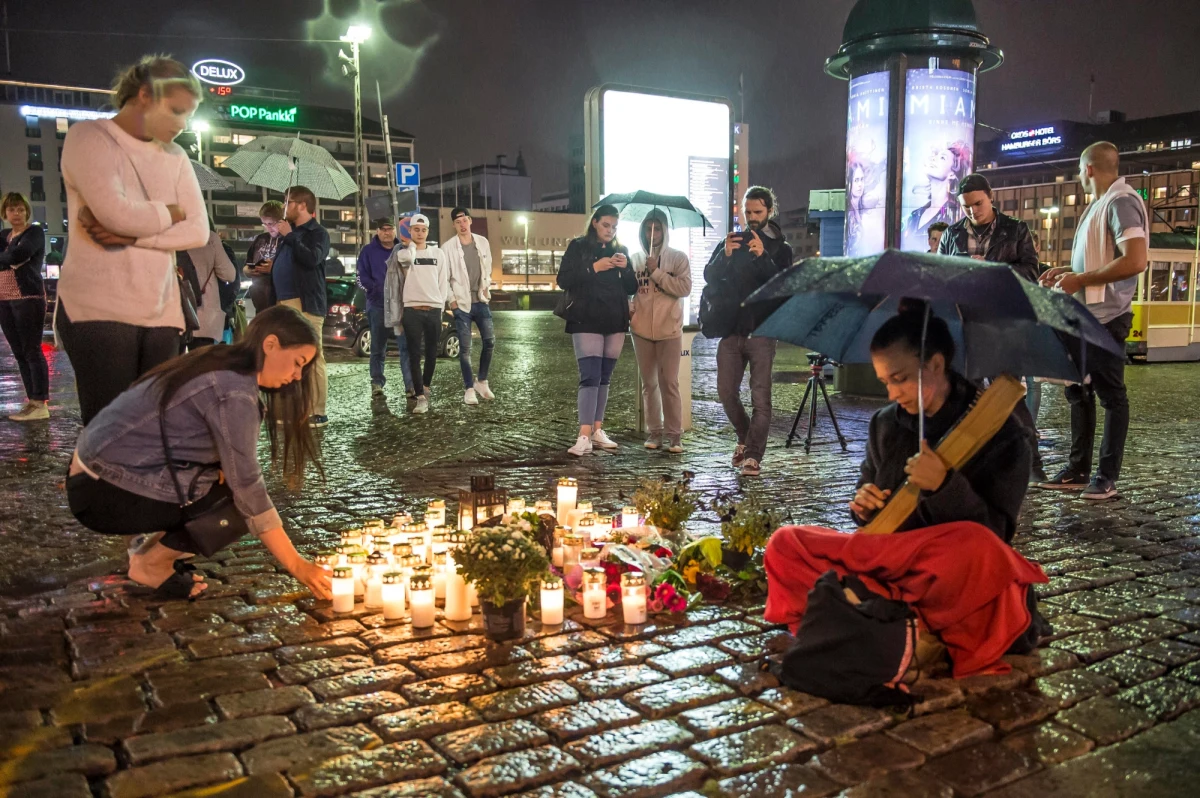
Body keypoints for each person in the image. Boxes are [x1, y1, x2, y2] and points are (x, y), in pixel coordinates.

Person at [65, 305, 331, 600]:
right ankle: (150, 564)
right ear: (270, 344)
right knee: (236, 504)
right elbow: (248, 488)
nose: (297, 376)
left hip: (91, 474)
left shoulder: (220, 362)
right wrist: (298, 566)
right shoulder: (235, 391)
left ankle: (149, 552)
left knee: (222, 481)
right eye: (298, 362)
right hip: (102, 492)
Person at [56, 55, 210, 425]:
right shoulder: (89, 137)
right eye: (176, 110)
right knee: (108, 431)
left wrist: (131, 236)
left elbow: (199, 231)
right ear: (144, 95)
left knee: (152, 429)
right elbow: (114, 214)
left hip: (161, 311)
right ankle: (91, 485)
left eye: (188, 115)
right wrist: (168, 212)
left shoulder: (176, 156)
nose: (183, 124)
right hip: (98, 309)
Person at [1038, 142, 1148, 500]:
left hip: (1107, 317)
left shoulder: (1120, 201)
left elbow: (1136, 260)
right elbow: (1107, 262)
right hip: (1088, 314)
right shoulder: (1103, 204)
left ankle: (1106, 477)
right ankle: (1079, 469)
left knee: (1111, 395)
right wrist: (1070, 273)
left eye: (1078, 172)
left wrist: (1080, 280)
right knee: (1076, 389)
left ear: (1087, 170)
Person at [937, 172, 1045, 481]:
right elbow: (942, 275)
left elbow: (1030, 272)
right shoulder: (952, 234)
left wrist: (993, 273)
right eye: (967, 207)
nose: (973, 211)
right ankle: (970, 462)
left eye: (978, 204)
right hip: (965, 324)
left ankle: (1031, 461)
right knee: (963, 396)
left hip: (1001, 324)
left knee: (1008, 393)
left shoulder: (1015, 230)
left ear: (991, 197)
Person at [703, 185, 792, 476]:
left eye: (758, 212)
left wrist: (763, 256)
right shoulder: (731, 241)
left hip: (763, 332)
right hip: (731, 329)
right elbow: (709, 277)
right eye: (748, 212)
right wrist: (724, 256)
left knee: (760, 398)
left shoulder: (781, 248)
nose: (752, 217)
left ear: (769, 211)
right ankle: (744, 436)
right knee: (726, 392)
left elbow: (782, 287)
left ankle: (753, 455)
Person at [556, 204, 637, 456]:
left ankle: (598, 430)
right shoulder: (578, 246)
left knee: (604, 377)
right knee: (589, 375)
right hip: (585, 317)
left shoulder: (621, 250)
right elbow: (563, 280)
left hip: (615, 319)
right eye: (606, 225)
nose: (610, 231)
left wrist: (626, 268)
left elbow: (632, 285)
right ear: (595, 222)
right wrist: (594, 268)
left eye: (614, 227)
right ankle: (584, 434)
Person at [630, 209, 692, 453]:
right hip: (641, 330)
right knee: (649, 384)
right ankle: (654, 432)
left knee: (669, 382)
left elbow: (684, 287)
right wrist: (630, 307)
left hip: (670, 330)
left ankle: (675, 435)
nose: (652, 232)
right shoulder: (635, 259)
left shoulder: (678, 259)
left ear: (665, 230)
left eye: (657, 227)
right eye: (648, 227)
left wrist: (656, 271)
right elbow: (628, 289)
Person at [271, 185, 330, 427]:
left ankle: (318, 411)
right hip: (284, 301)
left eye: (288, 202)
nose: (285, 207)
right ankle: (292, 409)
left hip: (305, 303)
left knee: (312, 356)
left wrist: (290, 236)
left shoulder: (317, 232)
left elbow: (312, 258)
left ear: (302, 205)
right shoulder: (290, 232)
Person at [389, 214, 449, 415]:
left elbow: (443, 280)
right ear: (410, 231)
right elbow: (406, 259)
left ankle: (426, 387)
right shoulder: (404, 253)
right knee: (414, 354)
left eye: (423, 230)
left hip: (433, 309)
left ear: (428, 231)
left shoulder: (438, 253)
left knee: (432, 352)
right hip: (412, 309)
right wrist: (411, 246)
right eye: (416, 229)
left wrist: (439, 305)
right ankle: (420, 397)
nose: (420, 233)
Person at [0, 192, 50, 421]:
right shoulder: (4, 235)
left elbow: (20, 253)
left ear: (26, 211)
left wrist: (10, 257)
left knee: (32, 350)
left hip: (28, 297)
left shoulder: (35, 232)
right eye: (11, 210)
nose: (16, 213)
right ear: (5, 213)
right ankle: (31, 402)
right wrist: (9, 257)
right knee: (19, 353)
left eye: (20, 209)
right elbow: (12, 257)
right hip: (4, 300)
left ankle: (40, 403)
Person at [357, 218, 415, 398]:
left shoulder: (403, 250)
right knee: (377, 347)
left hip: (401, 306)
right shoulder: (367, 251)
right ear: (377, 231)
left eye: (390, 229)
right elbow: (361, 278)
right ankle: (377, 383)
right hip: (378, 306)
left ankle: (410, 385)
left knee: (405, 347)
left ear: (395, 231)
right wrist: (374, 290)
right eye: (384, 229)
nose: (387, 233)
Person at [444, 207, 496, 405]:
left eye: (465, 220)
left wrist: (486, 287)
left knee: (490, 341)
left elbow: (487, 267)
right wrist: (452, 301)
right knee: (465, 348)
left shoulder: (482, 242)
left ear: (470, 221)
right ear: (454, 225)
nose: (462, 225)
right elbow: (446, 277)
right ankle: (468, 388)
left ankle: (481, 381)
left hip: (481, 300)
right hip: (462, 304)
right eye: (458, 222)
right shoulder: (447, 248)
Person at [903, 141, 971, 251]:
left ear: (952, 174)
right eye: (936, 156)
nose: (934, 159)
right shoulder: (915, 215)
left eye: (942, 158)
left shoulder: (956, 216)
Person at [186, 227, 237, 349]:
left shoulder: (166, 235)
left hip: (172, 315)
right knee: (201, 363)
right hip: (204, 317)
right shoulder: (209, 237)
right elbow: (229, 275)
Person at [244, 201, 283, 316]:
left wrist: (274, 268)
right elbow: (247, 265)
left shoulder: (287, 239)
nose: (268, 228)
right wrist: (248, 270)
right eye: (264, 224)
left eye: (271, 223)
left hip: (278, 297)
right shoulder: (260, 239)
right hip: (259, 297)